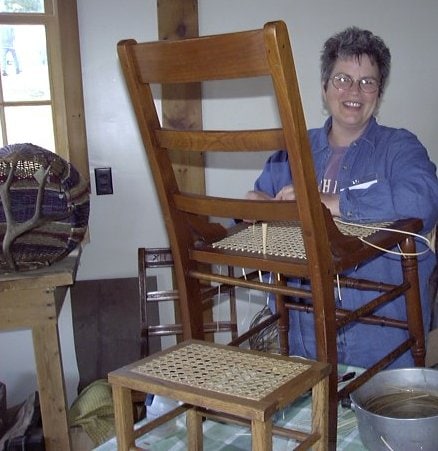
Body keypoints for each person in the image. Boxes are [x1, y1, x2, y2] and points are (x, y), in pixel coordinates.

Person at [247, 27, 438, 369]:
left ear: (379, 93)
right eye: (342, 79)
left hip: (385, 345)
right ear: (324, 88)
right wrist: (254, 206)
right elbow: (260, 200)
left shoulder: (400, 146)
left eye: (368, 82)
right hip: (306, 344)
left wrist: (330, 203)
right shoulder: (295, 148)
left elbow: (423, 200)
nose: (355, 91)